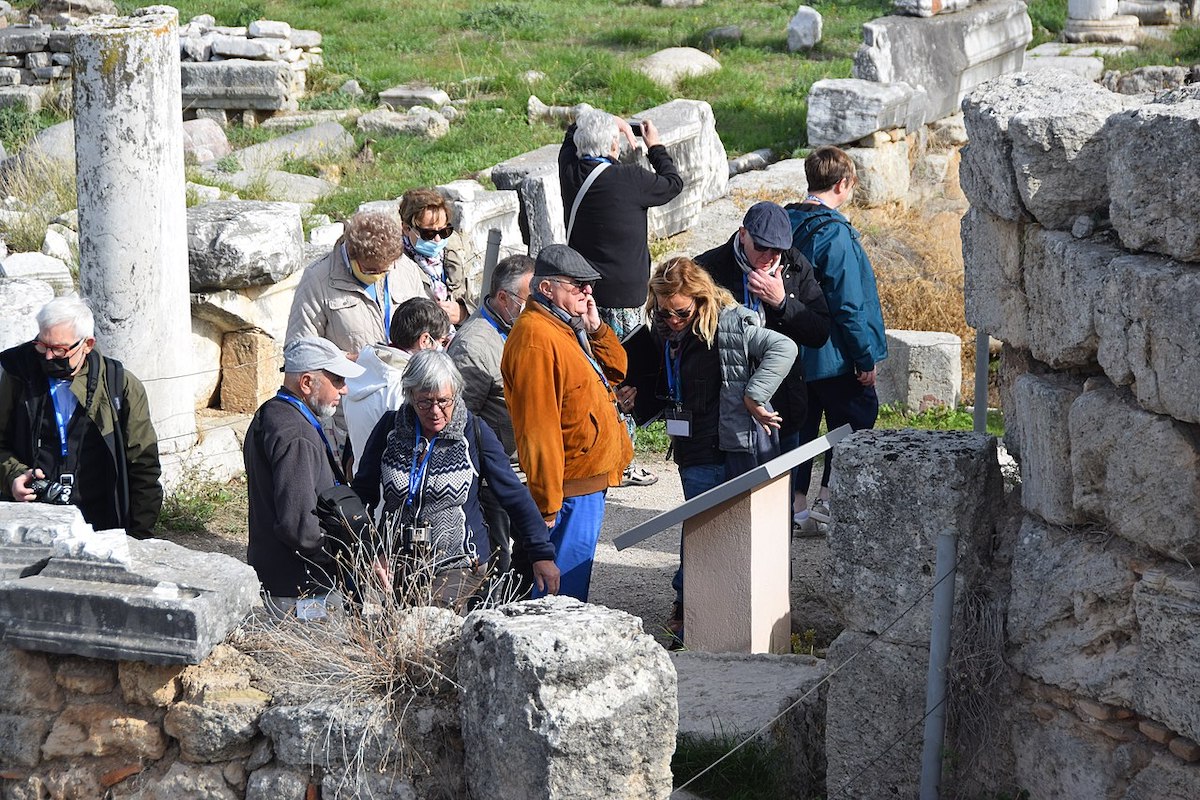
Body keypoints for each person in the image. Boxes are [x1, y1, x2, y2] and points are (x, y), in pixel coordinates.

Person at [642, 257, 797, 644]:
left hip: (726, 446)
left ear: (700, 298)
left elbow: (785, 347)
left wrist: (755, 394)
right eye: (664, 311)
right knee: (700, 533)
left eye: (679, 311)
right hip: (691, 449)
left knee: (721, 534)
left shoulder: (731, 323)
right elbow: (660, 375)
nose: (672, 319)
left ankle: (713, 616)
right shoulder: (663, 329)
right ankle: (691, 613)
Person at [351, 351, 559, 609]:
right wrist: (370, 549)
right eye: (425, 402)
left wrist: (541, 553)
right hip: (399, 564)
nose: (435, 411)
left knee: (431, 620)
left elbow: (514, 495)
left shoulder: (474, 431)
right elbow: (362, 494)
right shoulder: (390, 429)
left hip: (461, 563)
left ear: (456, 394)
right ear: (410, 395)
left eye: (444, 401)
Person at [500, 244, 633, 602]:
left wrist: (598, 329)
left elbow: (617, 371)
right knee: (559, 595)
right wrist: (546, 506)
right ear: (547, 288)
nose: (588, 292)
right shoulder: (535, 339)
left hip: (583, 483)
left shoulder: (562, 325)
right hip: (568, 491)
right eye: (578, 285)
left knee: (566, 588)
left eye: (590, 285)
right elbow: (538, 430)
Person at [559, 107, 682, 487]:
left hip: (583, 297)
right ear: (614, 145)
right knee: (623, 376)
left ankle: (596, 450)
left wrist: (595, 120)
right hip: (626, 300)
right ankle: (622, 458)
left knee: (593, 375)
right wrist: (655, 144)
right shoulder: (629, 178)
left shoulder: (571, 174)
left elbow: (568, 144)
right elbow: (672, 183)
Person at [694, 201, 831, 533]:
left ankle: (778, 582)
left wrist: (782, 303)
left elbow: (820, 331)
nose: (770, 256)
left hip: (782, 407)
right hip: (726, 410)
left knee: (778, 509)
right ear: (743, 235)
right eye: (762, 247)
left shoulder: (795, 265)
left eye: (778, 249)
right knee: (731, 509)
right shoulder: (708, 269)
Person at [785, 146, 888, 533]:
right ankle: (829, 500)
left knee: (801, 429)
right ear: (843, 184)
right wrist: (864, 357)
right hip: (835, 356)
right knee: (855, 421)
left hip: (792, 352)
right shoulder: (836, 236)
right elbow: (848, 304)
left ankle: (795, 507)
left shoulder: (784, 222)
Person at [0, 296, 162, 537]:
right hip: (33, 518)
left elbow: (143, 465)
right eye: (42, 345)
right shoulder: (16, 376)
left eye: (59, 349)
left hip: (102, 520)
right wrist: (13, 476)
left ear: (87, 344)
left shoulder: (120, 386)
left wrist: (139, 535)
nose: (48, 357)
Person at [244, 336, 365, 619]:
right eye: (336, 380)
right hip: (301, 587)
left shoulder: (271, 413)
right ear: (307, 383)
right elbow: (298, 526)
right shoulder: (296, 433)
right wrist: (339, 561)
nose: (344, 390)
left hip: (280, 577)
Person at [446, 254, 532, 573]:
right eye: (529, 298)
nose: (534, 306)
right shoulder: (474, 347)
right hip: (496, 480)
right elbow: (459, 422)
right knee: (498, 563)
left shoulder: (518, 327)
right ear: (502, 298)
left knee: (531, 553)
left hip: (523, 469)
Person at [287, 210, 423, 355]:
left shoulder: (404, 266)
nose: (379, 276)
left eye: (386, 270)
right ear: (352, 255)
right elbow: (300, 350)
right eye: (371, 271)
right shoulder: (317, 278)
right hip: (351, 376)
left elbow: (425, 323)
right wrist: (351, 360)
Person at [342, 297, 450, 474]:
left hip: (364, 481)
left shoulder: (359, 374)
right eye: (442, 343)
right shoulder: (403, 387)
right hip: (395, 489)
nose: (443, 350)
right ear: (425, 341)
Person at [397, 188, 476, 326]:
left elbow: (475, 301)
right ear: (406, 228)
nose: (438, 239)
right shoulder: (396, 265)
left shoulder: (456, 251)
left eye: (444, 231)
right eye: (429, 234)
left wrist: (463, 313)